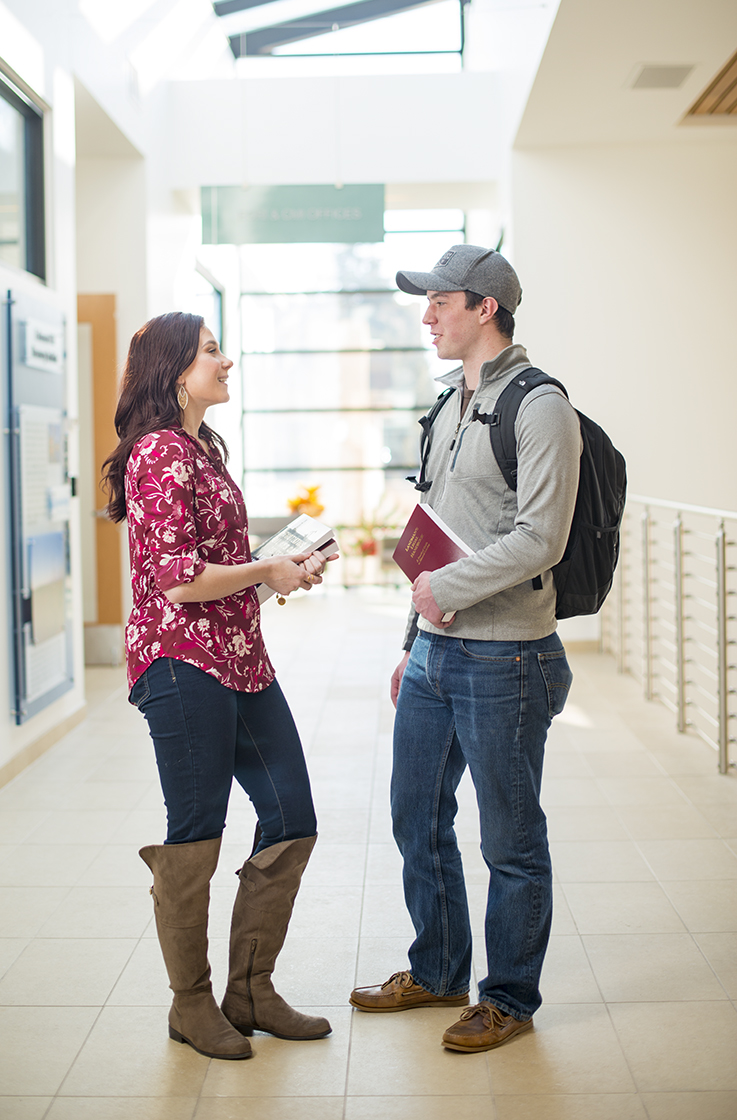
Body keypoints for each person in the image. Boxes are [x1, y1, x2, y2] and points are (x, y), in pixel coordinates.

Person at [349, 245, 581, 1052]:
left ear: (485, 308)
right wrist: (412, 640)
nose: (426, 317)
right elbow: (438, 538)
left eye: (439, 302)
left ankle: (507, 999)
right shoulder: (447, 403)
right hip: (435, 655)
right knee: (415, 816)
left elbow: (540, 538)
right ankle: (439, 968)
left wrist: (443, 596)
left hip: (506, 657)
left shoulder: (539, 405)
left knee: (509, 841)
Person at [103, 311, 335, 1061]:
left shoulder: (202, 449)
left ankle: (251, 990)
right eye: (210, 351)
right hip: (179, 664)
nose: (226, 361)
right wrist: (265, 570)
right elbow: (176, 584)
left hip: (238, 657)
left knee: (291, 814)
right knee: (196, 831)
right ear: (173, 369)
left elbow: (211, 577)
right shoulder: (159, 455)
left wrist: (277, 573)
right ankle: (192, 1003)